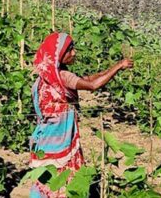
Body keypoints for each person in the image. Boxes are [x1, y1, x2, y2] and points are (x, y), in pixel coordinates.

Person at [29, 32, 134, 197]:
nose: (74, 53)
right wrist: (119, 66)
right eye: (69, 50)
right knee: (62, 176)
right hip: (61, 141)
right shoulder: (63, 77)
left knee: (46, 177)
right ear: (59, 54)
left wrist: (108, 70)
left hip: (44, 139)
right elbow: (92, 85)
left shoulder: (45, 77)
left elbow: (88, 78)